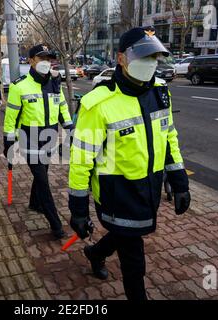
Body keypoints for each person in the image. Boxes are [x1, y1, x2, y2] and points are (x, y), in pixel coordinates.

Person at [68, 27, 191, 300]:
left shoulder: (160, 91)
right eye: (143, 56)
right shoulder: (98, 103)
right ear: (121, 58)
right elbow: (81, 158)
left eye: (154, 57)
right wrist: (78, 208)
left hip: (149, 187)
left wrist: (180, 181)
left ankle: (94, 252)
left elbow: (168, 136)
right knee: (133, 259)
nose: (150, 63)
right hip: (117, 192)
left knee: (125, 235)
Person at [3, 44, 73, 240]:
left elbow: (62, 108)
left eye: (48, 59)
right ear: (31, 60)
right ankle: (55, 224)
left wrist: (69, 127)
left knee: (42, 173)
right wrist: (8, 139)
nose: (46, 62)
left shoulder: (54, 83)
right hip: (29, 139)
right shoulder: (19, 85)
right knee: (43, 181)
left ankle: (34, 203)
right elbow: (11, 116)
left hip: (50, 137)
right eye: (41, 58)